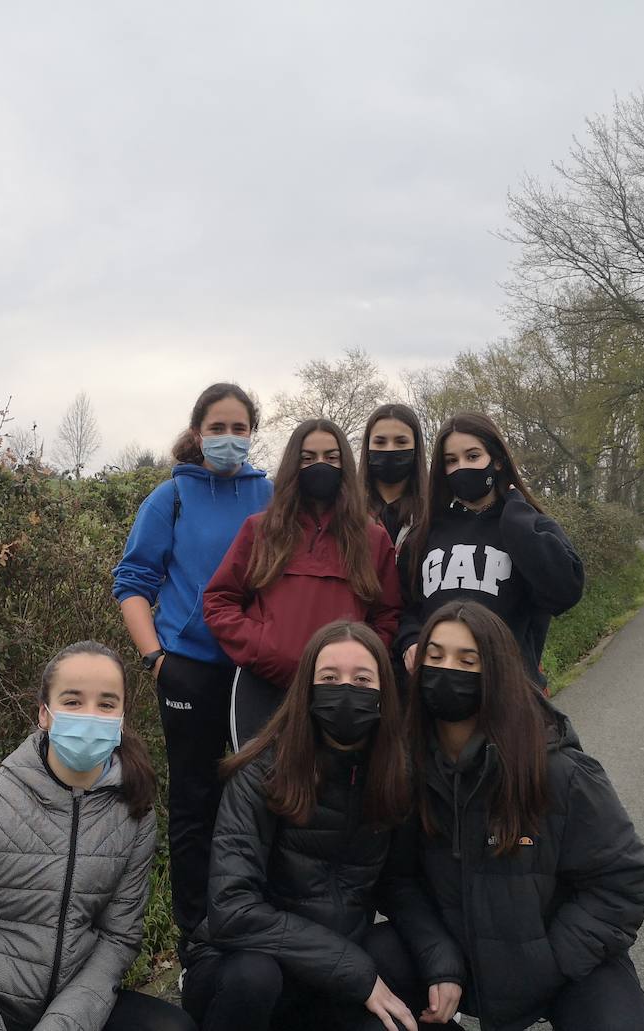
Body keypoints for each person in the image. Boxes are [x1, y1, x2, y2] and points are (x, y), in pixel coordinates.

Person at [380, 601, 644, 1031]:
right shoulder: (407, 769)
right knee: (368, 961)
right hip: (459, 955)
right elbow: (400, 881)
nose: (446, 669)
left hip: (560, 963)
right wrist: (439, 958)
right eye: (434, 656)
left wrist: (547, 963)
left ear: (498, 672)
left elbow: (623, 885)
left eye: (466, 660)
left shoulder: (560, 770)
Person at [0, 641, 195, 1031]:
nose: (90, 715)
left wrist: (65, 1023)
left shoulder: (135, 814)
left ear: (122, 719)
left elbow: (118, 939)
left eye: (106, 704)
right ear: (44, 713)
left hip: (69, 1004)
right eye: (73, 702)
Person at [181, 621, 421, 1031]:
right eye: (329, 678)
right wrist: (351, 969)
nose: (345, 689)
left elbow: (399, 884)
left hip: (329, 969)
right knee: (254, 977)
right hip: (243, 963)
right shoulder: (260, 773)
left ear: (384, 694)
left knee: (399, 956)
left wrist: (442, 963)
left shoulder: (392, 776)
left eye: (362, 679)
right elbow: (232, 909)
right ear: (306, 691)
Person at [111, 383, 272, 952]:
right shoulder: (170, 497)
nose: (229, 439)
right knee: (194, 802)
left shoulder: (272, 497)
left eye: (240, 428)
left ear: (253, 433)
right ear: (198, 431)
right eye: (218, 428)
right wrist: (156, 658)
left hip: (258, 672)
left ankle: (258, 922)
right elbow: (132, 584)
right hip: (189, 672)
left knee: (261, 795)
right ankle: (195, 936)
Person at [204, 419, 402, 748]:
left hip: (342, 697)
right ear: (294, 465)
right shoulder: (261, 530)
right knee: (257, 787)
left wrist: (357, 665)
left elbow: (388, 615)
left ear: (345, 465)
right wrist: (263, 647)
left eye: (331, 457)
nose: (319, 466)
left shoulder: (373, 538)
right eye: (308, 458)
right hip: (264, 688)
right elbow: (219, 601)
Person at [397, 412, 583, 689]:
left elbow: (565, 589)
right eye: (451, 461)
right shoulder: (424, 534)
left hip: (511, 692)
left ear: (496, 460)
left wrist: (515, 516)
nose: (461, 467)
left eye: (472, 456)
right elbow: (406, 607)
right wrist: (410, 639)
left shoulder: (531, 524)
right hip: (438, 691)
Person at [360, 403, 427, 556]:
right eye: (380, 442)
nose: (390, 449)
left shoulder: (432, 512)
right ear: (367, 447)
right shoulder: (349, 509)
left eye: (401, 442)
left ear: (416, 448)